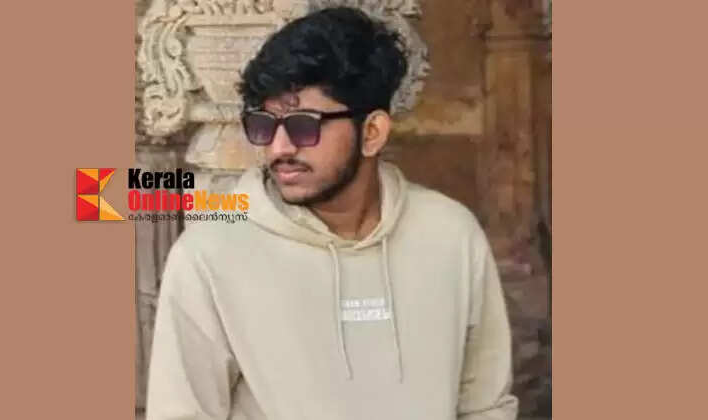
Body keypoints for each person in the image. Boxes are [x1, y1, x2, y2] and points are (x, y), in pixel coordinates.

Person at [146, 7, 518, 420]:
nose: (279, 148)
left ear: (372, 132)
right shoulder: (209, 256)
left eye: (303, 126)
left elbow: (486, 406)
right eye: (264, 125)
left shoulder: (451, 237)